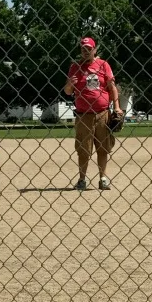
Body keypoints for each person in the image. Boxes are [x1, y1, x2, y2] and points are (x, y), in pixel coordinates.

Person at [63, 37, 120, 191]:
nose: (86, 51)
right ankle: (82, 179)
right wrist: (69, 85)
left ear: (95, 50)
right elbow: (68, 92)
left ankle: (103, 178)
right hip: (83, 115)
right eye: (83, 48)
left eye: (89, 48)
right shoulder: (75, 67)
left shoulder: (103, 65)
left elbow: (112, 87)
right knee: (83, 150)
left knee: (103, 148)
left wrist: (117, 107)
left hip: (102, 113)